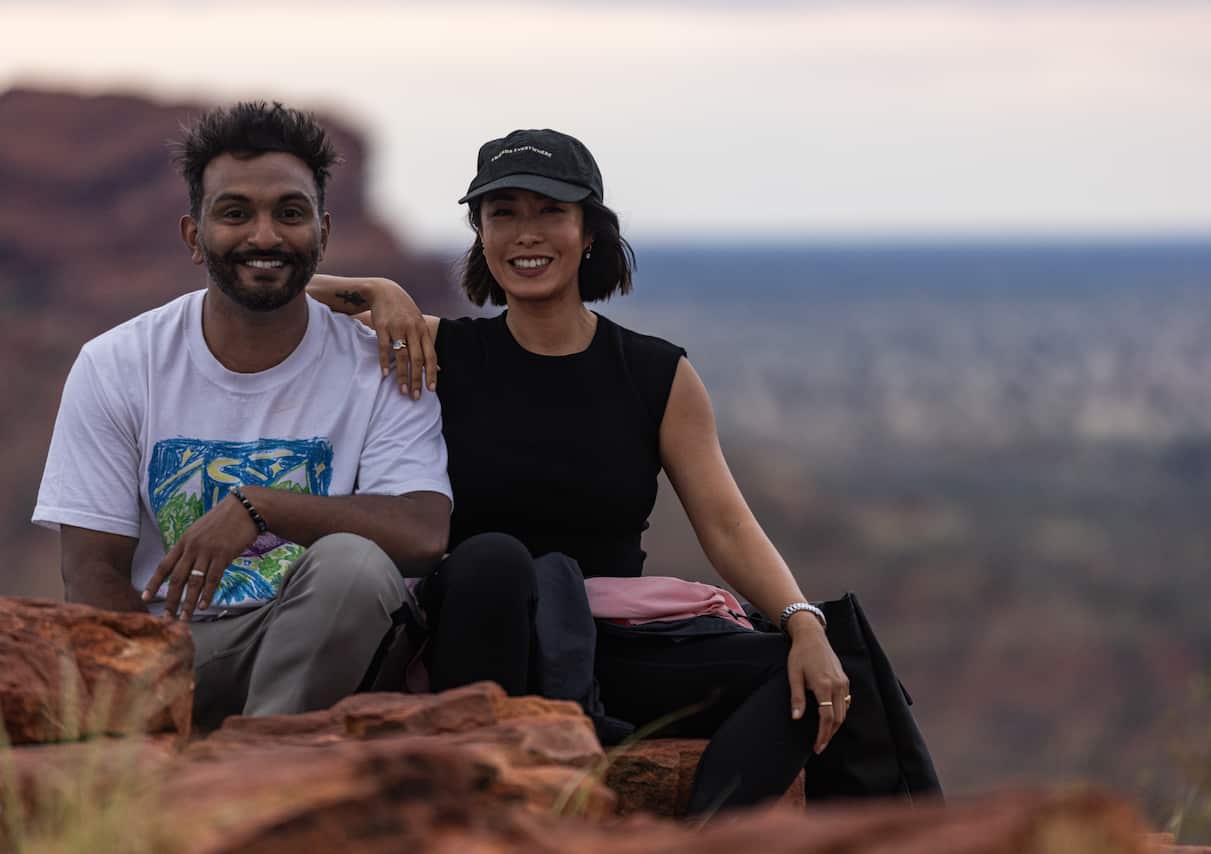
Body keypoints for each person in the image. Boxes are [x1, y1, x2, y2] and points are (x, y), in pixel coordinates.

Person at [308, 128, 937, 811]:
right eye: (504, 213)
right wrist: (369, 287)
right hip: (479, 637)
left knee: (814, 677)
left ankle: (696, 833)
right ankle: (492, 803)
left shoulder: (655, 373)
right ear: (480, 234)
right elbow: (261, 304)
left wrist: (804, 623)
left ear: (589, 231)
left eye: (551, 211)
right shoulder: (436, 350)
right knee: (495, 560)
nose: (527, 234)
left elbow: (726, 524)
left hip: (603, 642)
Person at [32, 102, 453, 731]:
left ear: (324, 233)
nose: (264, 236)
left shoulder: (382, 364)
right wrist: (139, 707)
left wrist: (262, 506)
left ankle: (257, 768)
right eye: (235, 214)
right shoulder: (119, 362)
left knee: (353, 566)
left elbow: (424, 533)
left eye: (290, 213)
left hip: (322, 641)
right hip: (171, 652)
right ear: (193, 237)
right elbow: (93, 570)